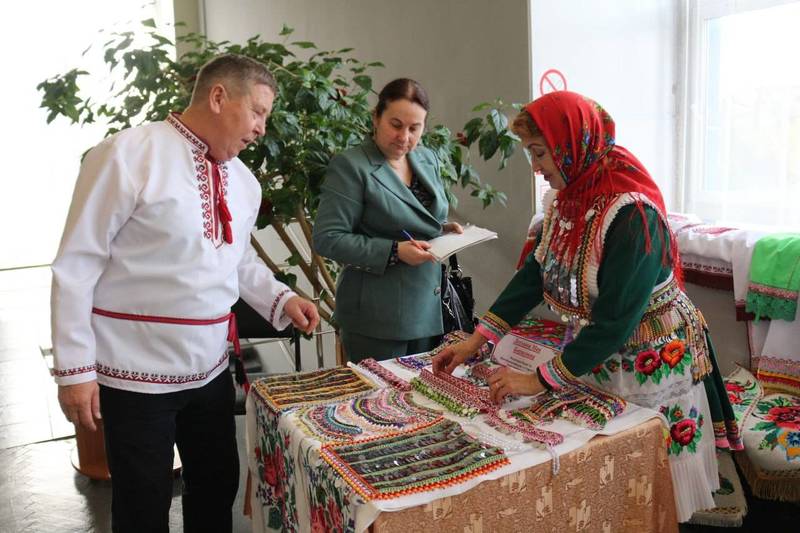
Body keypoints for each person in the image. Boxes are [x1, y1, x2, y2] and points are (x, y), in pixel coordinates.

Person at [432, 91, 740, 522]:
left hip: (650, 355)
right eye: (531, 154)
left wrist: (536, 380)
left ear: (571, 146)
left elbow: (615, 320)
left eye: (540, 154)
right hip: (597, 350)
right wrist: (477, 339)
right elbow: (537, 276)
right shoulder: (568, 199)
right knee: (606, 474)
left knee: (648, 477)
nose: (536, 168)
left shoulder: (631, 214)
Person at [51, 54, 320, 533]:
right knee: (142, 504)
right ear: (218, 97)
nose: (261, 129)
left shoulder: (244, 182)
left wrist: (282, 299)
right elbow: (77, 263)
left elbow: (237, 262)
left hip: (210, 368)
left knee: (217, 486)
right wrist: (75, 370)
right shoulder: (125, 155)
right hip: (135, 374)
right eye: (257, 112)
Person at [312, 78, 462, 363]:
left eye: (414, 128)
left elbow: (415, 218)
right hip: (376, 319)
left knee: (424, 403)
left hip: (428, 310)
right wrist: (394, 251)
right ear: (376, 118)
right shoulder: (351, 166)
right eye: (396, 125)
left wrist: (442, 229)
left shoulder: (427, 158)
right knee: (378, 404)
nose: (404, 137)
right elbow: (328, 238)